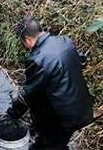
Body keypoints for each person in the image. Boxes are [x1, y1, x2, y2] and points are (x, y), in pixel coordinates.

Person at [7, 17, 93, 150]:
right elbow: (81, 62)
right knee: (52, 143)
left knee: (51, 145)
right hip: (82, 108)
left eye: (23, 42)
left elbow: (28, 94)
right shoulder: (65, 41)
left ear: (28, 39)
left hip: (63, 119)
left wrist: (12, 114)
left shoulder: (37, 60)